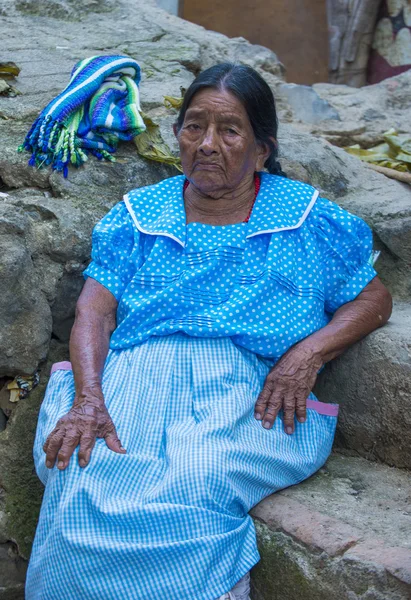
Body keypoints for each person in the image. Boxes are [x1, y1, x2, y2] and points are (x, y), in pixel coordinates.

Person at [26, 63, 392, 600]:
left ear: (262, 148)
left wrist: (307, 354)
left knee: (198, 479)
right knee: (81, 469)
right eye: (194, 127)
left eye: (229, 130)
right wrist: (87, 399)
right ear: (177, 136)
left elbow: (373, 297)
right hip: (133, 379)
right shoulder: (139, 214)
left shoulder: (304, 218)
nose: (207, 144)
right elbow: (95, 312)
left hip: (239, 389)